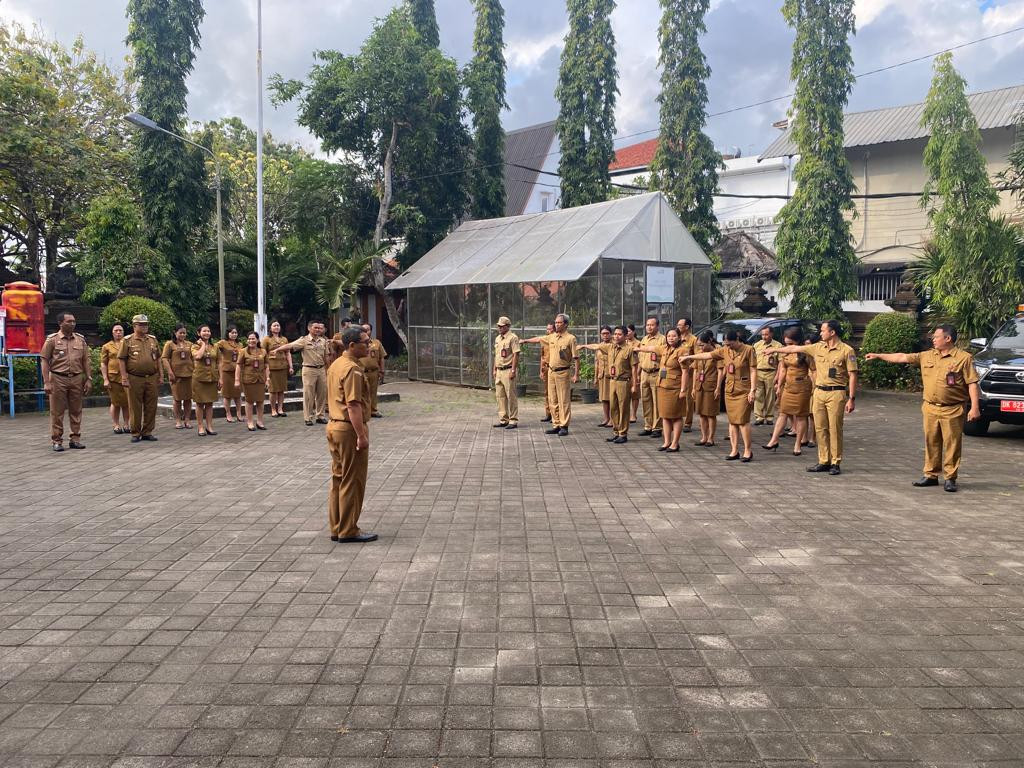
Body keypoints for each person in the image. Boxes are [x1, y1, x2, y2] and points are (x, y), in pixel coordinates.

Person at [866, 324, 981, 492]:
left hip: (953, 408)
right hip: (930, 407)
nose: (933, 339)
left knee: (952, 444)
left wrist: (975, 408)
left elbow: (972, 384)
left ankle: (950, 477)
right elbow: (902, 357)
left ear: (947, 339)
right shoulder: (926, 356)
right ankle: (931, 475)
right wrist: (878, 355)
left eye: (936, 337)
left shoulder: (963, 358)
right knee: (931, 441)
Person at [772, 320, 858, 475]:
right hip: (819, 392)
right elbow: (795, 347)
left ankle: (835, 462)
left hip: (836, 393)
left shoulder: (847, 350)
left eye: (823, 330)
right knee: (820, 427)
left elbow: (852, 375)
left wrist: (851, 398)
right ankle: (823, 460)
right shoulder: (817, 347)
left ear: (832, 332)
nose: (820, 333)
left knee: (835, 428)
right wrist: (774, 351)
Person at [326, 327, 377, 543]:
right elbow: (353, 404)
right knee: (352, 479)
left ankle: (337, 526)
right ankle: (348, 529)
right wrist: (361, 435)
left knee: (338, 479)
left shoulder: (337, 364)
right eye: (365, 342)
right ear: (352, 345)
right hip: (348, 428)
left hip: (334, 426)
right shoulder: (353, 370)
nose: (370, 345)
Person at [680, 329, 756, 462]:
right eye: (726, 344)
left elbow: (753, 370)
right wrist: (689, 357)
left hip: (744, 389)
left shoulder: (749, 350)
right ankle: (734, 450)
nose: (728, 346)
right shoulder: (725, 350)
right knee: (732, 422)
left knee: (743, 421)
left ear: (737, 340)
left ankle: (747, 451)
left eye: (730, 344)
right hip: (730, 389)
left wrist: (753, 390)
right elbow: (707, 355)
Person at [40, 312, 91, 451]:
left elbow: (86, 360)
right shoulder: (52, 340)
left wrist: (88, 378)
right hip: (58, 378)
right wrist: (46, 382)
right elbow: (44, 360)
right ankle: (57, 440)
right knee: (57, 411)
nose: (72, 324)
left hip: (76, 378)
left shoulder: (80, 340)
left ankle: (75, 439)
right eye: (69, 321)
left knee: (76, 410)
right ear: (60, 323)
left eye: (74, 321)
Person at [579, 326, 638, 443]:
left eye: (619, 334)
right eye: (615, 334)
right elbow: (596, 346)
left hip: (624, 382)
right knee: (613, 407)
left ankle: (623, 433)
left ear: (626, 336)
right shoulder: (610, 347)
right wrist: (584, 346)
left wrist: (634, 384)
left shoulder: (629, 350)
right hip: (612, 381)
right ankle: (616, 431)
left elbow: (634, 368)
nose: (616, 336)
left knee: (623, 408)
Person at [524, 313, 579, 436]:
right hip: (551, 372)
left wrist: (576, 374)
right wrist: (525, 340)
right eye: (556, 322)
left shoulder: (571, 338)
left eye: (559, 322)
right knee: (552, 399)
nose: (557, 324)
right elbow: (539, 339)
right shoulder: (552, 337)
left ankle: (564, 426)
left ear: (565, 324)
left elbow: (576, 358)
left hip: (563, 372)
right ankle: (556, 424)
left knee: (563, 400)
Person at [762, 327, 814, 456]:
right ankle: (774, 440)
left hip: (802, 386)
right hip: (788, 386)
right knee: (782, 413)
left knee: (801, 415)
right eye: (786, 343)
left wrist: (814, 386)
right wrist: (779, 385)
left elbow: (813, 370)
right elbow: (783, 370)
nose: (788, 346)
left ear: (798, 341)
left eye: (791, 344)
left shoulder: (805, 353)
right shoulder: (784, 353)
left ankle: (798, 444)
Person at [271, 320, 330, 426]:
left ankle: (320, 416)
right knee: (308, 394)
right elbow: (290, 345)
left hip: (321, 369)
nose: (317, 330)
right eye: (315, 328)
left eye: (318, 328)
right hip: (309, 369)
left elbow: (326, 356)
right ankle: (308, 417)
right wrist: (277, 350)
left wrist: (328, 369)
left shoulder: (323, 341)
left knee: (322, 393)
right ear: (309, 328)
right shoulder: (304, 340)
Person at [637, 329, 686, 452]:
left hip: (675, 387)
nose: (671, 338)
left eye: (674, 336)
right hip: (663, 386)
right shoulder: (665, 349)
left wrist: (683, 389)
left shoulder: (682, 351)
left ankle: (675, 443)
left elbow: (685, 372)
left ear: (679, 337)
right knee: (665, 416)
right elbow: (650, 348)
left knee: (676, 416)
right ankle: (666, 442)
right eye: (669, 336)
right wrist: (637, 348)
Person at [118, 314, 163, 443]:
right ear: (134, 326)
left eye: (146, 324)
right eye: (141, 324)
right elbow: (121, 359)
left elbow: (158, 358)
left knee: (151, 405)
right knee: (135, 406)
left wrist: (161, 375)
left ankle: (147, 431)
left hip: (151, 377)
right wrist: (124, 377)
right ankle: (135, 432)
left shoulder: (152, 340)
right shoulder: (127, 341)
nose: (144, 327)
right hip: (134, 378)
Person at [691, 330, 723, 447]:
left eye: (703, 345)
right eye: (699, 345)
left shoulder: (716, 353)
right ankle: (703, 437)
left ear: (709, 342)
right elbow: (695, 370)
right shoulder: (699, 354)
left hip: (711, 386)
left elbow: (720, 371)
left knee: (710, 413)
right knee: (701, 413)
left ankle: (711, 438)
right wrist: (694, 387)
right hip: (700, 385)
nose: (701, 347)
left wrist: (718, 387)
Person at [637, 317, 666, 438]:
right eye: (647, 325)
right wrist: (638, 374)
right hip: (644, 373)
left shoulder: (663, 339)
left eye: (652, 325)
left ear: (657, 326)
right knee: (645, 400)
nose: (649, 327)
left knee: (656, 401)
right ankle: (647, 426)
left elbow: (665, 357)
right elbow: (640, 357)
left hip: (656, 372)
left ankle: (657, 427)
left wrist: (663, 376)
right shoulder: (644, 339)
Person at [162, 323, 194, 430]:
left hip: (189, 375)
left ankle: (187, 420)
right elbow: (165, 358)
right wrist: (170, 372)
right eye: (180, 333)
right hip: (176, 375)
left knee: (188, 399)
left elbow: (193, 358)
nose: (182, 335)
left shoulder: (189, 344)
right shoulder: (170, 344)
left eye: (184, 333)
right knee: (177, 399)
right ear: (175, 333)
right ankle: (178, 420)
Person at [236, 331, 270, 431]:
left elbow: (266, 366)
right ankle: (250, 422)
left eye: (253, 338)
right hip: (248, 379)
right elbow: (238, 365)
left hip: (260, 379)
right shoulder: (243, 351)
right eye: (249, 339)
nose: (251, 340)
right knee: (249, 401)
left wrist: (267, 379)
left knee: (260, 401)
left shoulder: (263, 351)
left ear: (257, 340)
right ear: (247, 340)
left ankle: (260, 421)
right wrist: (237, 380)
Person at [492, 316, 521, 429]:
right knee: (500, 396)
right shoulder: (498, 339)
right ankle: (503, 419)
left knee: (511, 395)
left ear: (508, 326)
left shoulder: (513, 338)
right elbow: (497, 355)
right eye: (498, 326)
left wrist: (513, 370)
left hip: (508, 369)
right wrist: (494, 369)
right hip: (499, 370)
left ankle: (513, 420)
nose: (499, 328)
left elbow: (516, 354)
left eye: (502, 326)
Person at [100, 324, 129, 434]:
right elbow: (103, 363)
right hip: (113, 377)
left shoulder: (128, 344)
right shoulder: (107, 346)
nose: (118, 332)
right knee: (115, 402)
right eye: (116, 330)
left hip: (126, 376)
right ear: (112, 333)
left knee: (127, 402)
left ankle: (127, 424)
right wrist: (105, 379)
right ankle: (116, 424)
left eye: (120, 330)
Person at [191, 325, 219, 437]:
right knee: (199, 403)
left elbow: (219, 362)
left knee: (209, 403)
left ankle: (209, 426)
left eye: (208, 331)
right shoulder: (194, 346)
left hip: (212, 377)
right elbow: (198, 357)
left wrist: (220, 377)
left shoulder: (214, 346)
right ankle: (200, 427)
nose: (206, 333)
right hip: (200, 378)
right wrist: (203, 345)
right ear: (199, 333)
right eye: (204, 331)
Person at [752, 326, 783, 425]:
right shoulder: (757, 345)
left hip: (771, 372)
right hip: (758, 372)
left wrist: (778, 376)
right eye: (762, 334)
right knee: (758, 395)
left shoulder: (778, 346)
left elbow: (781, 362)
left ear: (771, 334)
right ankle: (759, 417)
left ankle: (769, 417)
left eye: (766, 334)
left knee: (770, 395)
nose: (764, 336)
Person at [262, 320, 293, 418]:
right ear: (270, 328)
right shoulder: (267, 339)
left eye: (278, 325)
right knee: (273, 390)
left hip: (283, 366)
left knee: (282, 390)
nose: (276, 327)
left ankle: (280, 408)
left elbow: (288, 353)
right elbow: (263, 353)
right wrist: (265, 367)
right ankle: (273, 409)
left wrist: (290, 366)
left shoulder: (284, 339)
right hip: (272, 367)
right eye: (274, 326)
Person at [214, 326, 243, 423]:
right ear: (228, 333)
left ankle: (239, 413)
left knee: (237, 394)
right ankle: (228, 413)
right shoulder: (223, 343)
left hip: (237, 372)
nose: (234, 334)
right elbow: (213, 347)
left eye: (235, 333)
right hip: (226, 371)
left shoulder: (240, 344)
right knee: (227, 394)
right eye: (232, 333)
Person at [676, 318, 699, 433]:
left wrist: (691, 367)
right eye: (678, 324)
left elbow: (698, 357)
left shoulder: (694, 340)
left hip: (688, 374)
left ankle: (688, 423)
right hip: (676, 374)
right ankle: (676, 418)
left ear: (687, 327)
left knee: (688, 398)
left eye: (680, 325)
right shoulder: (675, 338)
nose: (678, 326)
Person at [361, 323, 388, 418]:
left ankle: (373, 410)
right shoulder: (357, 344)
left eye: (367, 330)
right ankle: (363, 411)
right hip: (361, 372)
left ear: (371, 331)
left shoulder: (376, 343)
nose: (365, 332)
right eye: (363, 330)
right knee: (361, 392)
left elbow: (381, 358)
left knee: (373, 392)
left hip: (373, 372)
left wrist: (382, 371)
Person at [594, 326, 612, 427]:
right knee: (604, 398)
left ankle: (613, 419)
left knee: (612, 398)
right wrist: (595, 377)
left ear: (611, 334)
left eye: (607, 333)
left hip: (611, 375)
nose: (605, 335)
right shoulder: (599, 346)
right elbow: (597, 363)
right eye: (603, 334)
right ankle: (606, 418)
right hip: (602, 375)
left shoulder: (614, 345)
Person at [539, 321, 555, 423]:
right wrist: (541, 370)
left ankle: (555, 415)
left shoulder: (555, 341)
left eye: (550, 329)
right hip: (546, 368)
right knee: (547, 393)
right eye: (547, 329)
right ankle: (548, 413)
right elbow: (542, 357)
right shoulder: (544, 341)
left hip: (554, 368)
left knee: (554, 393)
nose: (548, 331)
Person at [626, 324, 641, 423]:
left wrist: (638, 373)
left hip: (635, 371)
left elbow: (641, 359)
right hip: (625, 372)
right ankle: (626, 414)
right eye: (626, 331)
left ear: (634, 332)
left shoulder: (639, 343)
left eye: (629, 331)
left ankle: (633, 414)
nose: (627, 333)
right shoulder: (624, 343)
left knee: (635, 394)